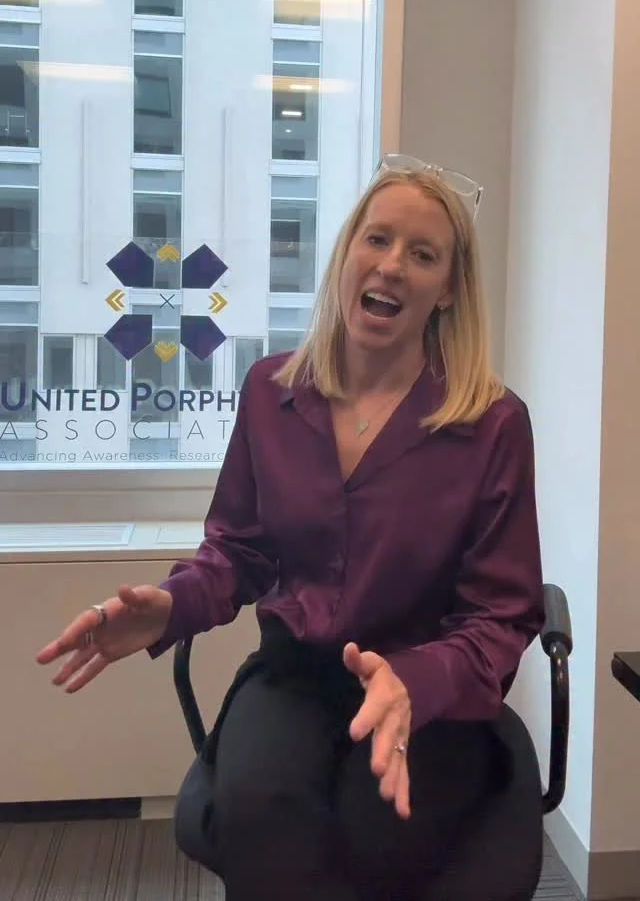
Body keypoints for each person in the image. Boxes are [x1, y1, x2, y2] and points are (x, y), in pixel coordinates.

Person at [38, 155, 544, 901]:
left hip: (426, 689)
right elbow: (237, 551)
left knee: (382, 829)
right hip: (296, 676)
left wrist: (416, 680)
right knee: (259, 817)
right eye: (378, 239)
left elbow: (501, 615)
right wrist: (171, 608)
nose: (392, 265)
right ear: (347, 255)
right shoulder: (270, 391)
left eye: (423, 254)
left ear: (447, 290)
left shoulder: (493, 424)